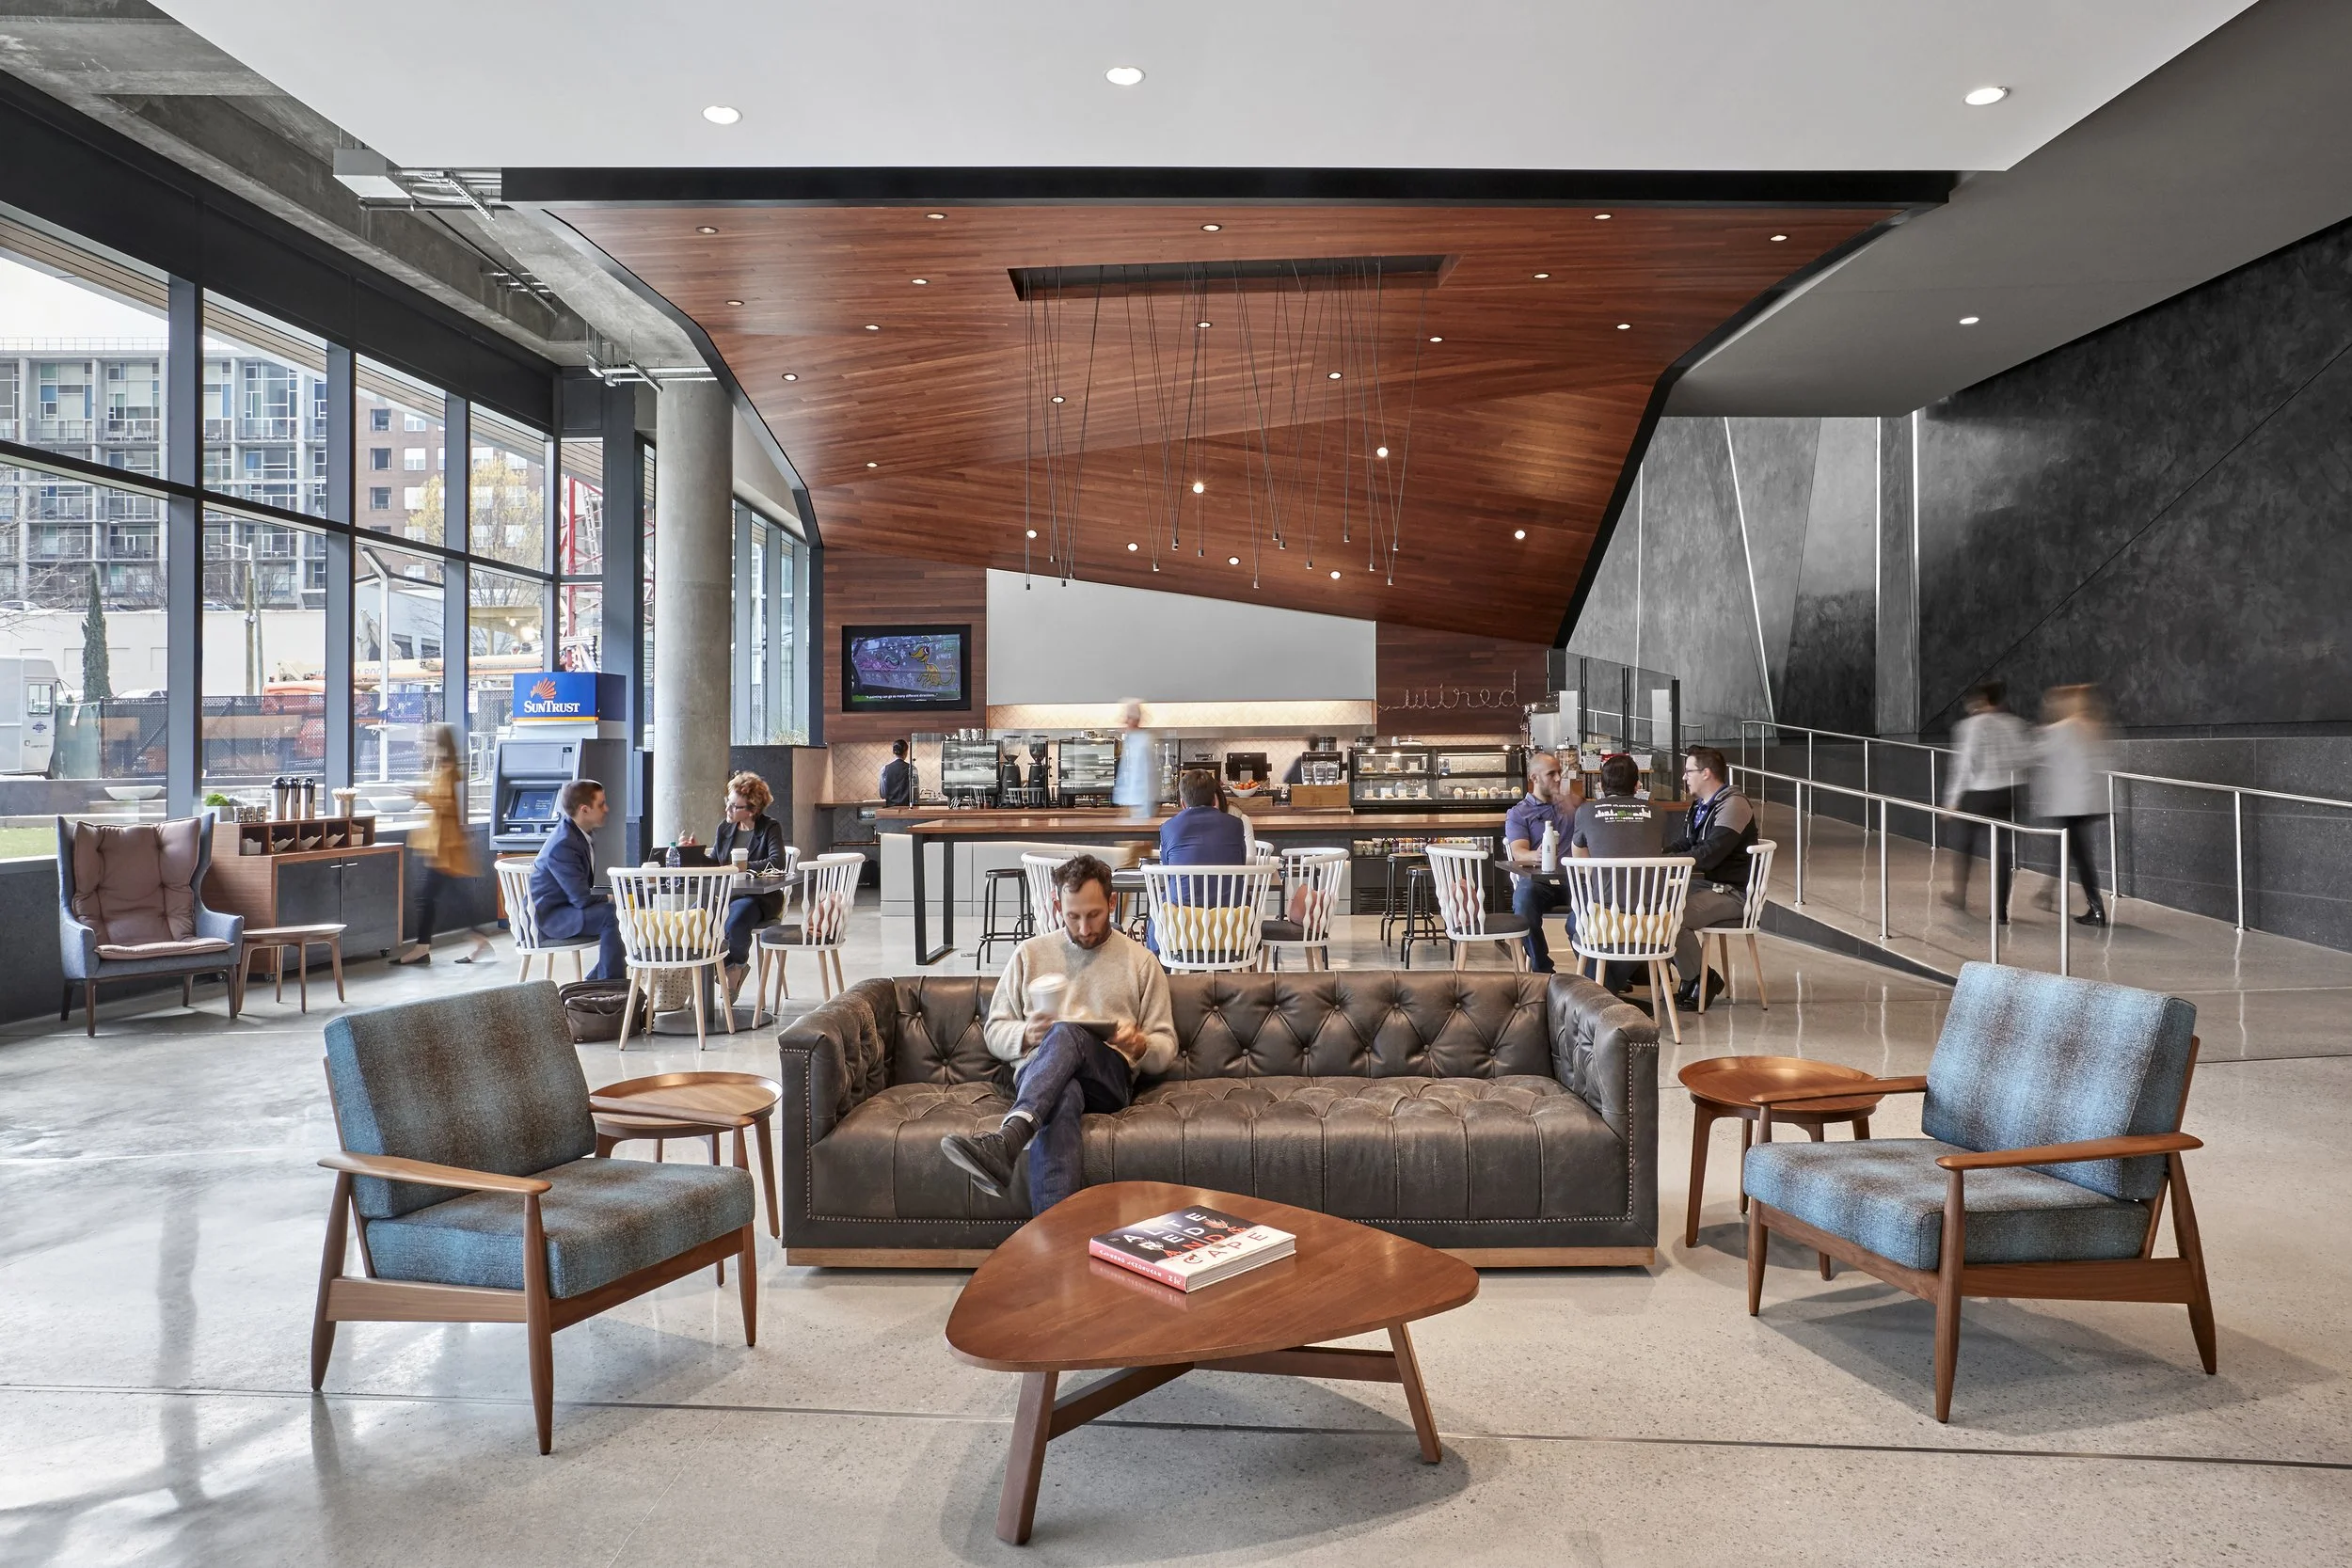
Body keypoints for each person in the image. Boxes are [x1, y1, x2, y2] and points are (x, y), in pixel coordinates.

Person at [938, 854, 1178, 1212]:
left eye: (1094, 914)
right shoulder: (1030, 955)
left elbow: (1166, 1047)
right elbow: (996, 1031)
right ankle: (1054, 1245)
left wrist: (1140, 1044)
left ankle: (1009, 1138)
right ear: (1056, 906)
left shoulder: (1141, 962)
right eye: (1073, 916)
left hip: (1109, 1080)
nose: (1084, 928)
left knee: (1066, 1033)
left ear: (1113, 902)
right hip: (1043, 1079)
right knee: (1064, 1093)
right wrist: (1025, 1035)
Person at [679, 770, 788, 1004]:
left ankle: (735, 967)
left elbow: (777, 862)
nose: (727, 810)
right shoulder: (725, 828)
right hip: (725, 894)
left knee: (736, 920)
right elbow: (715, 864)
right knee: (693, 917)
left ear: (752, 809)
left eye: (734, 807)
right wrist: (692, 853)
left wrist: (740, 866)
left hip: (759, 897)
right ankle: (715, 967)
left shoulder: (770, 828)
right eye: (727, 804)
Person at [1662, 747, 1757, 1009]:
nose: (1684, 777)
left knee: (1672, 917)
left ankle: (1703, 979)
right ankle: (1693, 977)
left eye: (1688, 771)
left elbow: (1710, 854)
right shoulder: (1700, 806)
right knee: (1652, 906)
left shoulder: (1734, 804)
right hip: (1709, 886)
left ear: (1706, 773)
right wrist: (1658, 854)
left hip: (1734, 892)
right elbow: (1686, 843)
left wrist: (1668, 861)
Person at [392, 724, 493, 966]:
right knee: (448, 896)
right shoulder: (442, 769)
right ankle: (475, 938)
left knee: (427, 897)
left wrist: (419, 794)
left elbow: (445, 804)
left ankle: (423, 948)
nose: (425, 746)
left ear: (441, 745)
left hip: (444, 848)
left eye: (429, 742)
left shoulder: (447, 771)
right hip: (440, 846)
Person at [1569, 752, 1666, 992]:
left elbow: (1579, 860)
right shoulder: (1659, 813)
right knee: (1633, 939)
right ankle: (1612, 988)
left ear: (1600, 786)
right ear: (1637, 786)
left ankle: (1606, 994)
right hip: (1656, 918)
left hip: (1607, 915)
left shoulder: (1586, 812)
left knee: (1576, 924)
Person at [1943, 680, 2036, 922]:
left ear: (1981, 700)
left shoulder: (1971, 726)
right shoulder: (2015, 724)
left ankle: (1960, 894)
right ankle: (2001, 911)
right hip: (2007, 793)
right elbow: (2026, 757)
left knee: (1964, 843)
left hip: (1978, 792)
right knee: (2002, 851)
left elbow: (1964, 764)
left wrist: (1951, 799)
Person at [2034, 684, 2114, 926]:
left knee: (2079, 854)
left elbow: (2035, 751)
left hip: (2072, 803)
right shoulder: (2092, 726)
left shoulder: (2062, 729)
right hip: (2089, 802)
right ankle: (2047, 891)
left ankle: (2096, 908)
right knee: (2070, 848)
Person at [530, 778, 625, 982]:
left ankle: (597, 985)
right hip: (552, 918)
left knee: (621, 914)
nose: (607, 809)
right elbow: (581, 898)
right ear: (584, 810)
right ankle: (609, 988)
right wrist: (613, 896)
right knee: (614, 915)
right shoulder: (564, 844)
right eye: (601, 804)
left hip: (565, 908)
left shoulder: (578, 834)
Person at [1503, 750, 1581, 973]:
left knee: (1591, 908)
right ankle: (1542, 970)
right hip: (1540, 881)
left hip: (1573, 880)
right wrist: (1535, 855)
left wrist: (1574, 802)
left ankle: (1598, 973)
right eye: (1551, 774)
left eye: (1559, 773)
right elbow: (1518, 851)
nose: (1558, 778)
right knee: (1523, 902)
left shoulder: (1571, 806)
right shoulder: (1519, 813)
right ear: (1535, 778)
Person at [1111, 700, 1158, 821]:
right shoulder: (1131, 740)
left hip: (1140, 802)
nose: (1125, 722)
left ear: (1135, 720)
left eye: (1128, 718)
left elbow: (1144, 777)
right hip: (1131, 801)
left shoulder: (1144, 742)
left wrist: (1137, 804)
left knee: (1139, 837)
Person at [879, 739, 914, 806]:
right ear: (906, 752)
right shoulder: (912, 769)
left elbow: (883, 794)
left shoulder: (884, 769)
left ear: (893, 752)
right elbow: (915, 793)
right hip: (907, 809)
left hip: (891, 810)